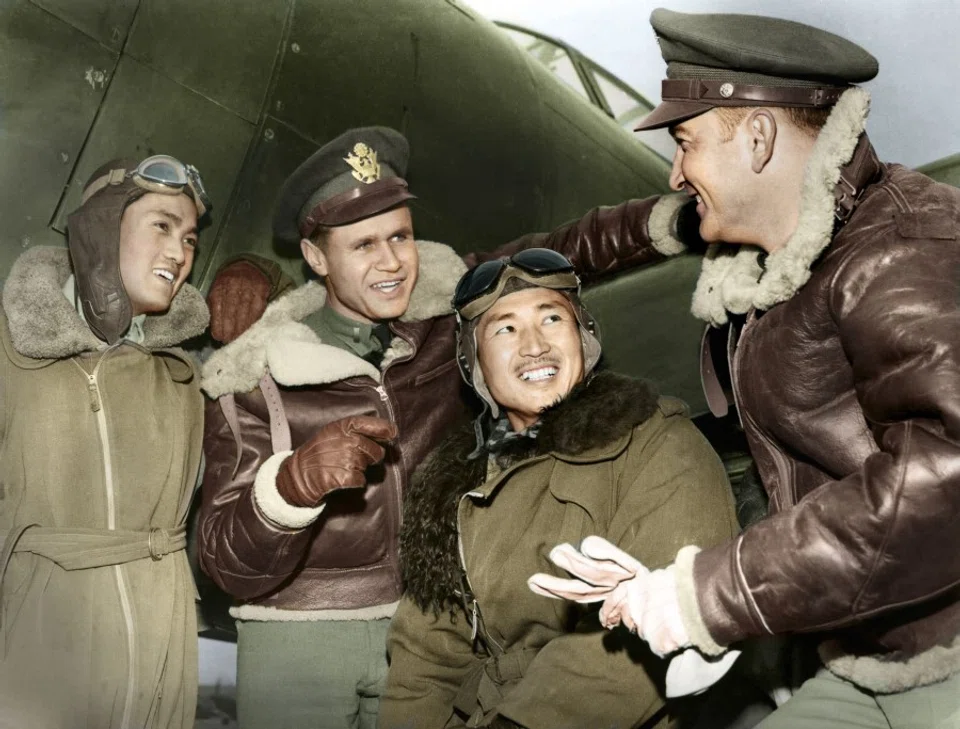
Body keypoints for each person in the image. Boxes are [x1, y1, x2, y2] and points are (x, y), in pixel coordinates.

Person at [530, 9, 960, 729]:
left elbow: (947, 474)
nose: (675, 171)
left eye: (686, 143)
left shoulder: (898, 248)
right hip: (867, 652)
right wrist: (673, 585)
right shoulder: (784, 261)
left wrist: (711, 593)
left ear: (757, 138)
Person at [197, 126, 696, 729]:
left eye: (400, 237)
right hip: (299, 641)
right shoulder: (254, 376)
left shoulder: (447, 320)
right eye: (362, 246)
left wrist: (677, 216)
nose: (391, 263)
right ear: (314, 258)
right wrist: (290, 488)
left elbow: (558, 252)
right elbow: (224, 564)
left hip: (437, 630)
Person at [378, 249, 739, 729]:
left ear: (584, 339)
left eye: (551, 318)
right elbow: (425, 660)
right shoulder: (455, 483)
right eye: (504, 328)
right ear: (475, 364)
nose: (533, 346)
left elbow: (649, 639)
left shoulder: (657, 443)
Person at [0, 155, 211, 728]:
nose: (179, 253)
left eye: (190, 239)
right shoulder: (10, 351)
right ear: (102, 226)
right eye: (162, 226)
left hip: (161, 648)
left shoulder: (182, 375)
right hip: (40, 650)